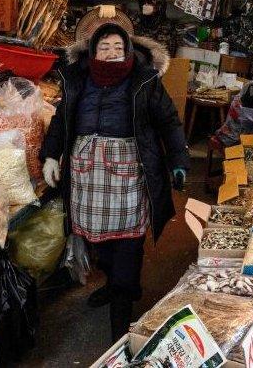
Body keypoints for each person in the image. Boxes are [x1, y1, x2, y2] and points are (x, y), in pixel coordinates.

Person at [41, 22, 190, 340]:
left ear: (128, 51)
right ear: (93, 51)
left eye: (118, 48)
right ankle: (114, 283)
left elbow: (168, 121)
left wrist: (179, 161)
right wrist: (51, 156)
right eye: (104, 47)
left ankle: (121, 319)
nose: (111, 54)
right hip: (86, 172)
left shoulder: (144, 79)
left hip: (128, 170)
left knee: (127, 242)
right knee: (97, 241)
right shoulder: (77, 79)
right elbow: (61, 120)